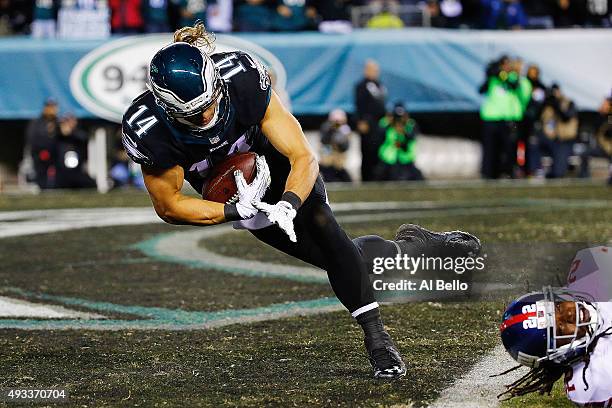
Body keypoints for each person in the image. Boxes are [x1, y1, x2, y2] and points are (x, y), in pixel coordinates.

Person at [121, 22, 481, 380]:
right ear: (168, 109)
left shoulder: (241, 79)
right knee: (339, 258)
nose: (208, 115)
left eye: (212, 102)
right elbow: (169, 205)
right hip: (240, 195)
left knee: (327, 232)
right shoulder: (149, 129)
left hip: (278, 165)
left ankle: (378, 338)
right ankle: (412, 248)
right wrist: (233, 210)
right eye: (194, 113)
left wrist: (290, 202)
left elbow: (302, 157)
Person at [529, 83, 578, 178]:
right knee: (533, 142)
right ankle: (537, 170)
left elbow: (566, 117)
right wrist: (544, 103)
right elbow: (537, 117)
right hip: (550, 139)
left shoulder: (568, 103)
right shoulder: (548, 105)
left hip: (564, 140)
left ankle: (555, 171)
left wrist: (557, 106)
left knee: (558, 174)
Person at [355, 59, 387, 182]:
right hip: (367, 124)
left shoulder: (380, 85)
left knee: (378, 152)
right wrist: (361, 121)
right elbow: (359, 105)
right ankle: (366, 179)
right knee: (367, 153)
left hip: (379, 125)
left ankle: (377, 177)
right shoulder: (361, 86)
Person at [376, 102, 424, 181]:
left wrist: (404, 131)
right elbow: (378, 135)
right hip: (388, 160)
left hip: (406, 160)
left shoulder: (410, 124)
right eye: (396, 117)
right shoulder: (386, 123)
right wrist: (389, 122)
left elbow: (412, 137)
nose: (399, 120)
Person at [54, 114, 96, 189]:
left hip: (77, 172)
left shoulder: (78, 134)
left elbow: (84, 138)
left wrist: (71, 133)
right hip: (61, 173)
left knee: (90, 184)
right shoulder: (57, 136)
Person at [26, 98, 59, 189]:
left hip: (55, 156)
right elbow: (32, 139)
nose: (53, 109)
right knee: (41, 176)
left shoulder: (58, 122)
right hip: (40, 155)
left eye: (54, 107)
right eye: (50, 107)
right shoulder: (37, 123)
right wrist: (41, 151)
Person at [318, 109, 352, 182]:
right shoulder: (326, 127)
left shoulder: (345, 129)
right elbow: (324, 142)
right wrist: (331, 131)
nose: (338, 124)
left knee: (343, 174)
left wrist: (339, 145)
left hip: (339, 157)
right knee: (327, 169)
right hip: (328, 155)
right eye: (336, 122)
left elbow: (345, 146)